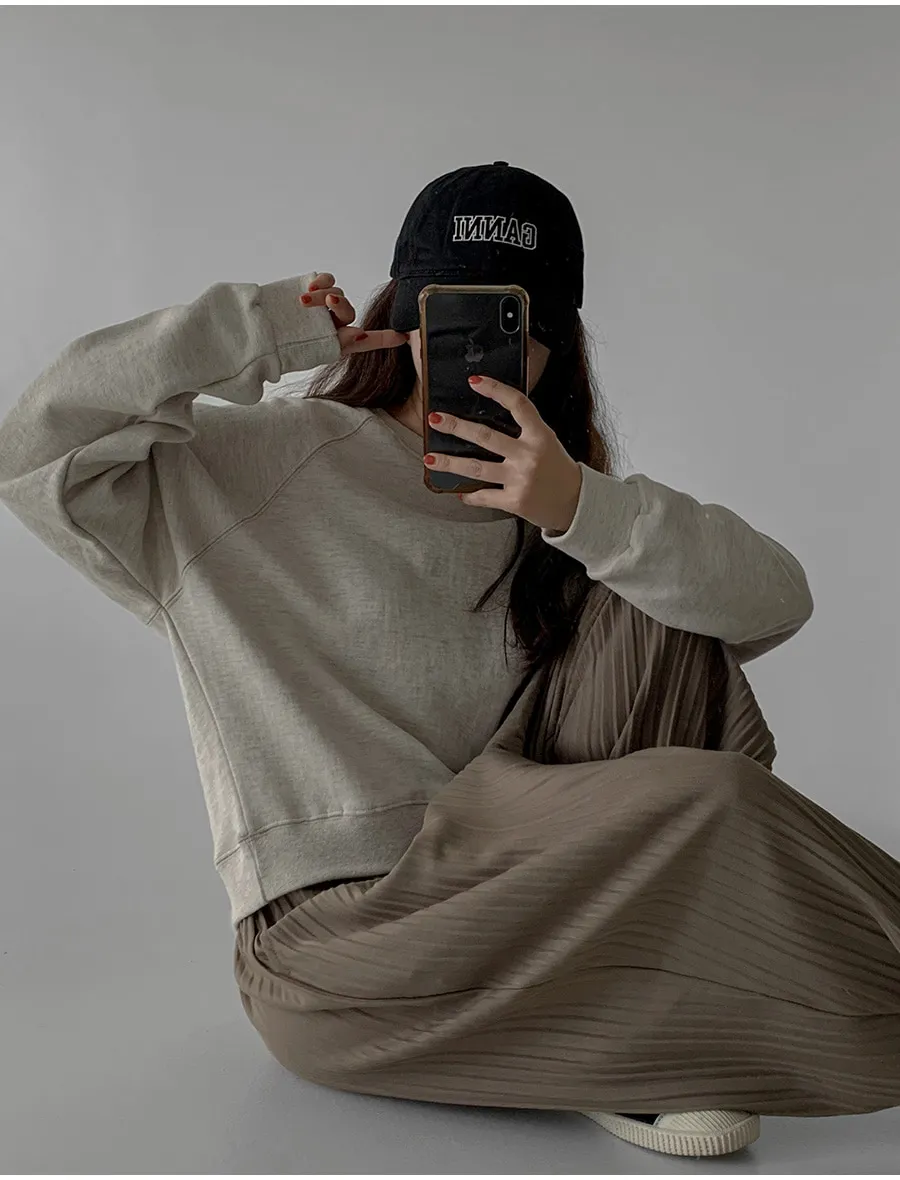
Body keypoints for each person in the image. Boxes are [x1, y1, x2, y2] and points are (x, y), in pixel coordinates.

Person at [2, 162, 899, 1162]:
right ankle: (643, 1022)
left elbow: (776, 599)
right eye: (454, 311)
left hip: (526, 874)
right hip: (344, 950)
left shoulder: (561, 506)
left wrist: (579, 507)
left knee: (665, 600)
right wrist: (264, 332)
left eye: (517, 323)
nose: (478, 352)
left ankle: (625, 1029)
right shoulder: (254, 471)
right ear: (403, 310)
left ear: (557, 345)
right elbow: (33, 451)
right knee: (713, 798)